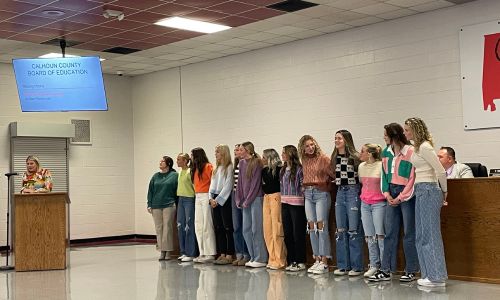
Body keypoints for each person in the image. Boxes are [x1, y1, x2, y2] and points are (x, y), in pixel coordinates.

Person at [369, 123, 418, 283]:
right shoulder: (385, 152)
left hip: (406, 194)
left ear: (394, 135)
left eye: (385, 134)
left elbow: (412, 177)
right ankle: (386, 270)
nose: (383, 137)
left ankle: (410, 270)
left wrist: (401, 197)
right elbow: (384, 174)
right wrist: (387, 193)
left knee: (409, 233)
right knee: (390, 232)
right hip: (391, 192)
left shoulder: (411, 151)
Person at [404, 117, 448, 287]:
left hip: (429, 190)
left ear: (415, 130)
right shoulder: (416, 147)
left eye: (407, 130)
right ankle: (428, 273)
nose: (405, 133)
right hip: (421, 190)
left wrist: (444, 191)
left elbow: (440, 171)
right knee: (421, 235)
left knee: (430, 235)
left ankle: (436, 276)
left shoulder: (425, 147)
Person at [298, 135, 333, 275]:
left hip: (320, 193)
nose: (310, 148)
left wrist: (326, 185)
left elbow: (333, 174)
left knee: (321, 226)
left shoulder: (324, 158)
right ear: (303, 148)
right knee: (311, 226)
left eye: (312, 144)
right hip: (308, 193)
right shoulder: (304, 159)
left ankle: (325, 261)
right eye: (307, 146)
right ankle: (317, 258)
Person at [332, 129, 363, 276]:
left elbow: (361, 177)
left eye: (340, 138)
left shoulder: (355, 157)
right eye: (336, 138)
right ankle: (343, 265)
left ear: (346, 140)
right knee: (341, 230)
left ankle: (356, 266)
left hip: (352, 191)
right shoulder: (334, 157)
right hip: (339, 192)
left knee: (353, 230)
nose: (337, 141)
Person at [236, 142, 268, 268]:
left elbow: (255, 184)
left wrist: (248, 200)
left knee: (256, 229)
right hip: (245, 201)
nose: (239, 151)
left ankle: (261, 257)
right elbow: (239, 183)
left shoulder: (256, 162)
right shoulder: (241, 163)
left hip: (255, 200)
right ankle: (253, 256)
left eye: (241, 149)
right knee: (246, 230)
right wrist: (238, 199)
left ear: (248, 150)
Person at [358, 144, 386, 278]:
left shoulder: (381, 166)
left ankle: (384, 266)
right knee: (369, 236)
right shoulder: (361, 167)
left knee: (380, 235)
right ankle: (374, 264)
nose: (360, 154)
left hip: (379, 204)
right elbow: (362, 183)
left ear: (369, 154)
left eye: (362, 151)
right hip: (365, 204)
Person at [280, 145, 306, 272]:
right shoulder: (283, 169)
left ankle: (300, 261)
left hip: (297, 204)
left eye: (284, 152)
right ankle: (292, 260)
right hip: (284, 203)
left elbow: (303, 186)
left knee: (298, 233)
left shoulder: (300, 169)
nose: (282, 154)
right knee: (288, 233)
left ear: (290, 154)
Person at [147, 156, 178, 261]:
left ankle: (168, 251)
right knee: (159, 229)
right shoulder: (155, 176)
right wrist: (149, 204)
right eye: (160, 161)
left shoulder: (174, 175)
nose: (160, 162)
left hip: (169, 205)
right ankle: (161, 250)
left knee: (167, 228)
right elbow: (150, 191)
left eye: (163, 161)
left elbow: (177, 190)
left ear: (168, 163)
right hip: (156, 205)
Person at [209, 144, 235, 265]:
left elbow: (228, 186)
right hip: (214, 198)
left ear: (224, 153)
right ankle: (222, 253)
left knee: (227, 227)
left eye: (218, 152)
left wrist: (218, 200)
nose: (216, 154)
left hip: (223, 199)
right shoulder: (216, 168)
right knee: (218, 227)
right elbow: (212, 185)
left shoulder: (229, 167)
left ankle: (229, 254)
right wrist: (211, 198)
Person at [261, 148, 287, 270]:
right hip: (266, 198)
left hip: (276, 197)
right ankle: (272, 258)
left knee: (277, 229)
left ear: (270, 158)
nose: (262, 160)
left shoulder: (279, 170)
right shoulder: (264, 171)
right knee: (267, 230)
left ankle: (280, 259)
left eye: (264, 157)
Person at [191, 148, 216, 263]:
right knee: (198, 225)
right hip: (198, 196)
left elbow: (213, 182)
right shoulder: (195, 169)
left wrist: (211, 197)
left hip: (206, 195)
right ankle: (202, 252)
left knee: (207, 224)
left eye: (192, 155)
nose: (191, 157)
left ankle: (210, 253)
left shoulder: (208, 167)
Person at [176, 153, 198, 262]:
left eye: (179, 159)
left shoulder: (190, 172)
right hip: (181, 199)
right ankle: (183, 251)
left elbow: (194, 186)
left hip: (189, 199)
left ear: (185, 161)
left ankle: (191, 252)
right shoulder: (179, 172)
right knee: (180, 225)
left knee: (189, 225)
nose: (177, 161)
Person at [231, 144, 250, 266]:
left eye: (238, 149)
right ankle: (239, 253)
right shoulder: (236, 165)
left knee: (245, 226)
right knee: (236, 226)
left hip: (243, 196)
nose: (236, 152)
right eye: (235, 150)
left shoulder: (246, 164)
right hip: (234, 195)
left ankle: (246, 253)